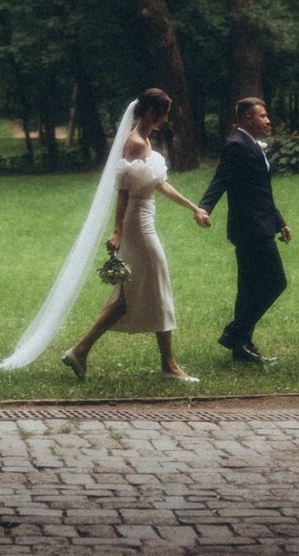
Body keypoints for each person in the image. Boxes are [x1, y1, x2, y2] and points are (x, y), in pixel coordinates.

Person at [58, 89, 212, 382]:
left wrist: (194, 208)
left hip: (145, 218)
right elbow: (124, 191)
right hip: (137, 225)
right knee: (157, 283)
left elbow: (159, 184)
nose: (166, 119)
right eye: (164, 113)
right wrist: (117, 232)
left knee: (127, 297)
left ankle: (79, 351)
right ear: (152, 112)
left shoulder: (145, 142)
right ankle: (169, 366)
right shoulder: (135, 144)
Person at [198, 97, 291, 364]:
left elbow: (262, 190)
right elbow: (221, 179)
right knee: (276, 282)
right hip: (250, 228)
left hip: (261, 223)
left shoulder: (253, 146)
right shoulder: (236, 145)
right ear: (248, 119)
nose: (267, 120)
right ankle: (234, 333)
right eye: (262, 116)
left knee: (249, 288)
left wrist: (280, 221)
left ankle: (242, 348)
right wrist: (204, 207)